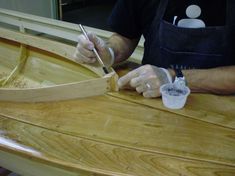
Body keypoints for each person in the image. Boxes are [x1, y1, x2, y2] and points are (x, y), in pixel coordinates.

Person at [73, 0, 235, 98]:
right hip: (151, 98)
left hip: (220, 108)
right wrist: (109, 52)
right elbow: (126, 36)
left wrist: (174, 79)